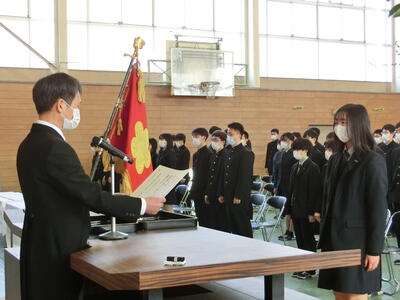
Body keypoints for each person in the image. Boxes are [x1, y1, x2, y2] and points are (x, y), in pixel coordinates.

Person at [16, 73, 165, 300]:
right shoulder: (54, 147)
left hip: (40, 242)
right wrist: (142, 204)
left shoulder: (29, 143)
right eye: (76, 105)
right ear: (60, 105)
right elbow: (90, 195)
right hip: (58, 246)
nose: (76, 112)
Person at [318, 104, 387, 299]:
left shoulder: (372, 160)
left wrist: (374, 250)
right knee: (338, 293)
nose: (339, 127)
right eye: (337, 122)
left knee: (354, 295)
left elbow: (377, 208)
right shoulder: (336, 159)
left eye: (344, 122)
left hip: (357, 243)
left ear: (358, 125)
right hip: (333, 238)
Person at [287, 138, 322, 280]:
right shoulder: (295, 166)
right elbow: (291, 190)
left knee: (308, 241)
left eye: (299, 149)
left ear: (306, 150)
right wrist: (288, 210)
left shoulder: (313, 167)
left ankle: (311, 269)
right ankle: (302, 267)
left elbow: (315, 192)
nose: (296, 152)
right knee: (300, 240)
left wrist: (312, 212)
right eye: (294, 149)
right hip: (296, 209)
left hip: (306, 211)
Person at [219, 122, 254, 237]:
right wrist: (221, 193)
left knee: (242, 226)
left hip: (238, 196)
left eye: (231, 134)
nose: (228, 136)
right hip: (228, 194)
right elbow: (224, 174)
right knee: (232, 225)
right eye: (227, 133)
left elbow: (244, 177)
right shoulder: (229, 151)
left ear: (239, 135)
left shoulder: (245, 153)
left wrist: (238, 195)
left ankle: (248, 250)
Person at [205, 130, 228, 231]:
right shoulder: (213, 155)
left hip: (219, 195)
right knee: (212, 222)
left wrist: (221, 194)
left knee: (221, 223)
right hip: (212, 193)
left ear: (223, 142)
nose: (213, 142)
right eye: (212, 140)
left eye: (216, 140)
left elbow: (224, 178)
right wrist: (207, 193)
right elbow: (210, 176)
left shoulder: (226, 156)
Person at [276, 132, 297, 241]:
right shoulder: (284, 153)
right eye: (283, 140)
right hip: (284, 185)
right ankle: (287, 231)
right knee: (287, 210)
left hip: (291, 185)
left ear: (291, 141)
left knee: (292, 210)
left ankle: (291, 232)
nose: (284, 143)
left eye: (286, 140)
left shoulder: (294, 153)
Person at [190, 128, 213, 227]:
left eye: (196, 137)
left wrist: (207, 193)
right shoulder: (196, 154)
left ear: (203, 137)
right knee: (199, 217)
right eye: (193, 137)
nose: (194, 139)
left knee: (206, 219)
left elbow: (209, 176)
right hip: (196, 190)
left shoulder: (209, 154)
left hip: (204, 192)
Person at [156, 133, 177, 204]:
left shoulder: (171, 152)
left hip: (167, 183)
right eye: (160, 139)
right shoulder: (161, 152)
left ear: (168, 141)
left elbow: (172, 169)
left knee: (167, 206)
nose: (160, 141)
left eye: (162, 139)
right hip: (160, 181)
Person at [381, 124, 399, 191]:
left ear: (392, 133)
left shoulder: (397, 148)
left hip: (391, 177)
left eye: (386, 132)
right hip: (381, 175)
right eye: (383, 132)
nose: (384, 134)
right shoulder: (379, 147)